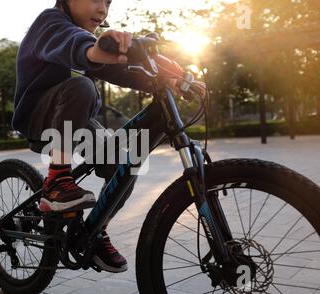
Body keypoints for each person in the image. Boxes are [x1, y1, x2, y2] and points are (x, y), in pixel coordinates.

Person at [12, 0, 206, 273]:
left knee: (122, 165)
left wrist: (172, 78)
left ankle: (95, 232)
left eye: (108, 2)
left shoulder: (86, 41)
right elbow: (76, 45)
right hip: (38, 117)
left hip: (73, 122)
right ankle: (57, 178)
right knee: (82, 85)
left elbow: (117, 69)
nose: (103, 9)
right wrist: (96, 47)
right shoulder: (50, 22)